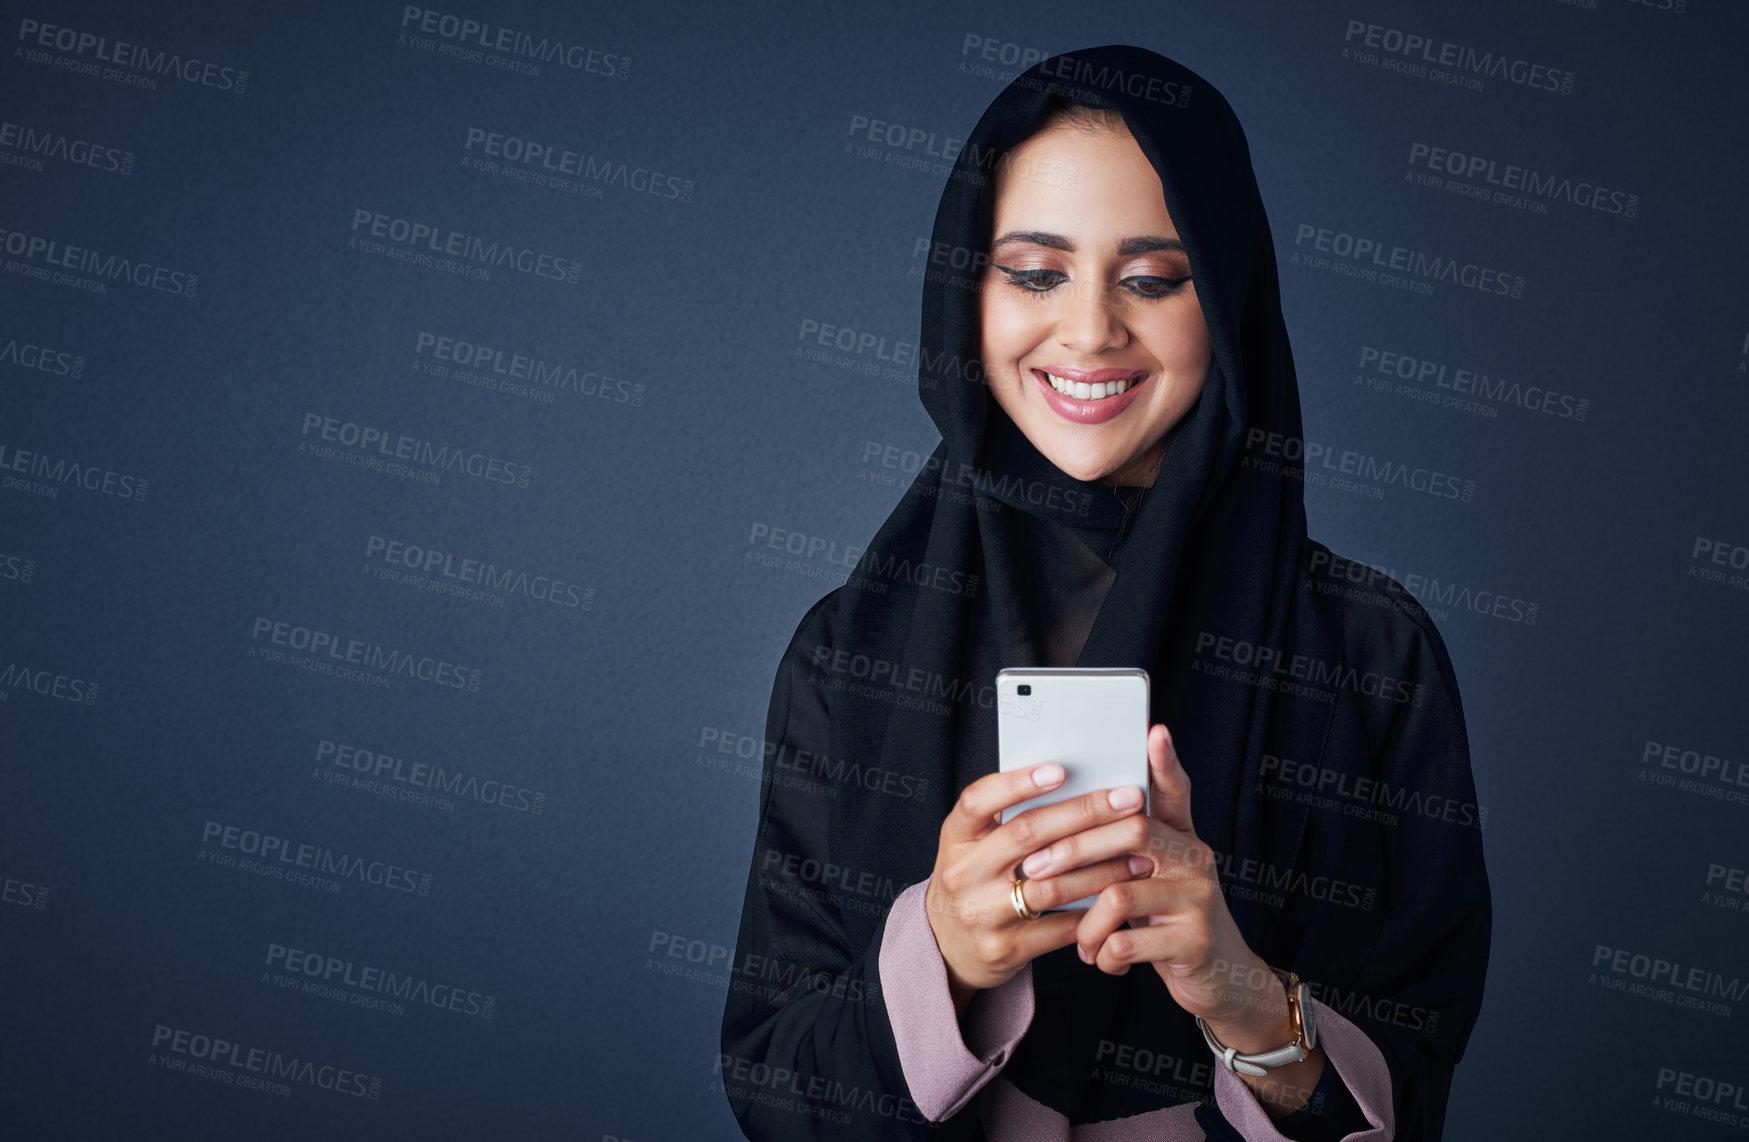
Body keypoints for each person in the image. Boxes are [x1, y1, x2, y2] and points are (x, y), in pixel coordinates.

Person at [720, 44, 1490, 1142]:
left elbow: (1414, 1095)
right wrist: (940, 949)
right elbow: (772, 1086)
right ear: (964, 290)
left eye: (1154, 277)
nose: (1089, 330)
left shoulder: (1374, 655)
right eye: (1035, 270)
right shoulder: (849, 652)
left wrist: (1238, 989)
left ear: (1227, 298)